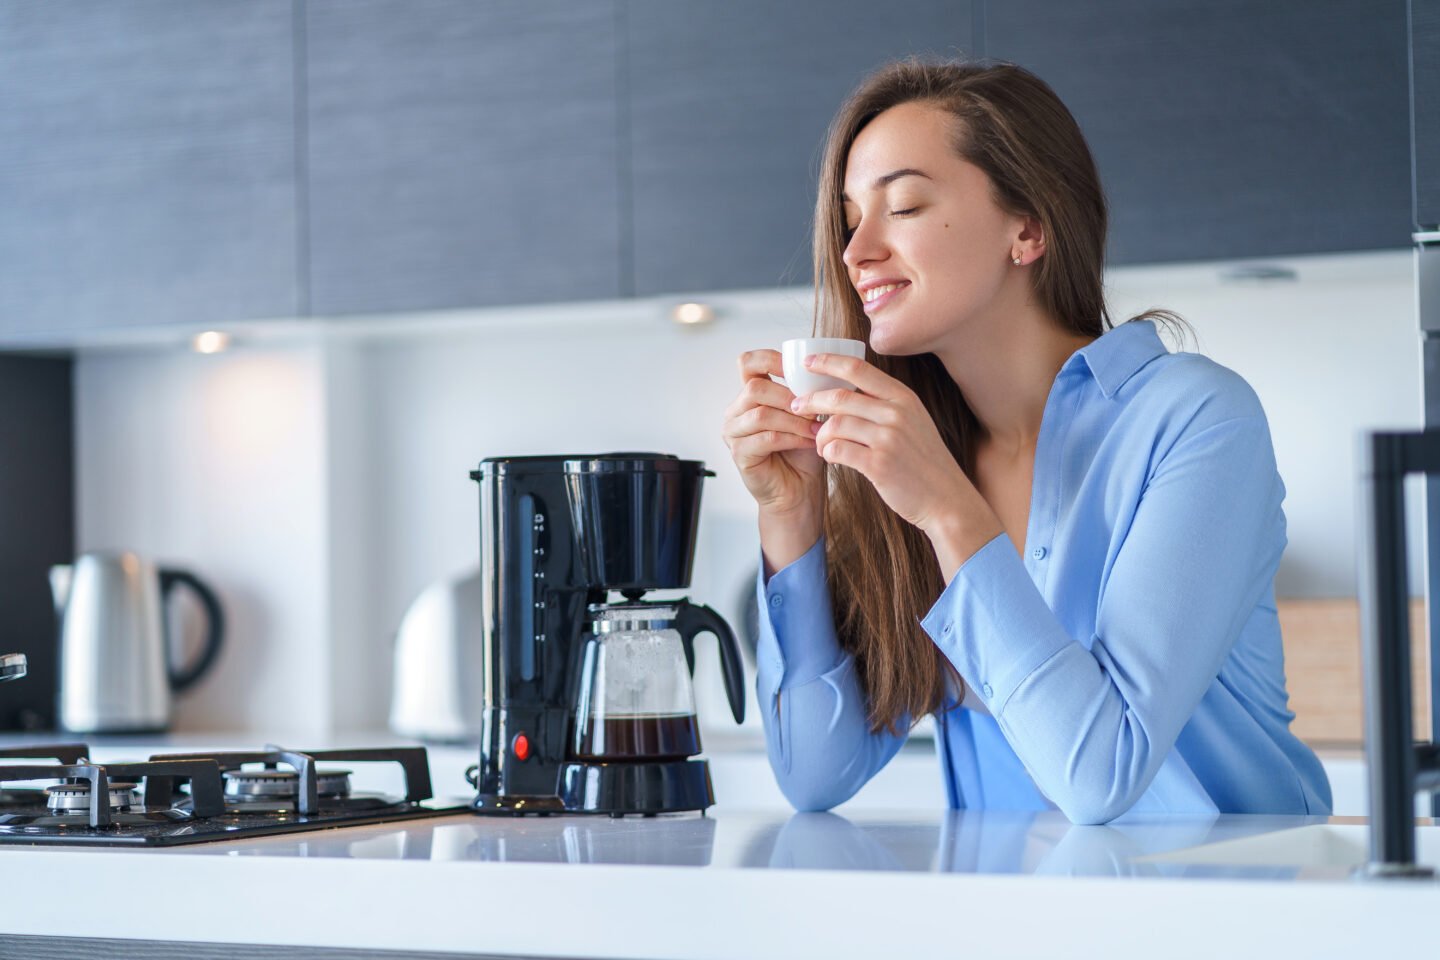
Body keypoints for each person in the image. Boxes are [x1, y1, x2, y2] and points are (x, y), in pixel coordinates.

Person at [720, 58, 1332, 824]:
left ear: (1029, 228)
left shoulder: (1197, 421)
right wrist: (792, 513)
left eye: (903, 205)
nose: (856, 252)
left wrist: (949, 512)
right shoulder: (917, 458)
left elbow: (1101, 775)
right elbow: (815, 774)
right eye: (849, 221)